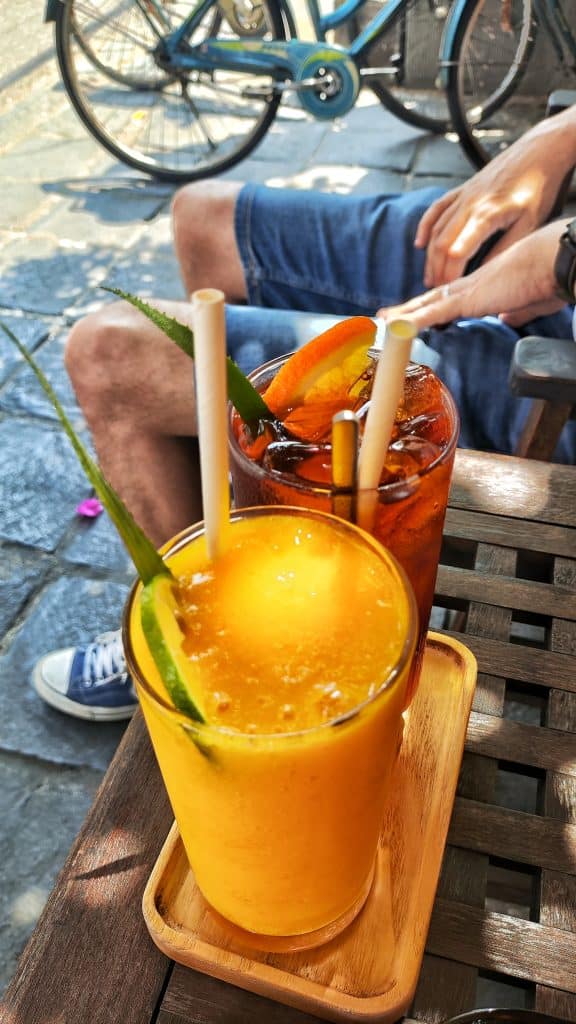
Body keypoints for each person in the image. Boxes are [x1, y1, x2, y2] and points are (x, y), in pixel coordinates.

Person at [32, 104, 576, 721]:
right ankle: (223, 622)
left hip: (556, 338)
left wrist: (561, 262)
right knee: (202, 217)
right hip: (557, 243)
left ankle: (225, 646)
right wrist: (560, 136)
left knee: (108, 353)